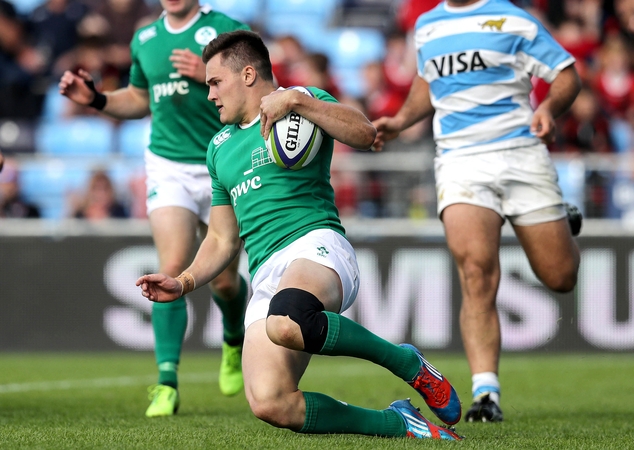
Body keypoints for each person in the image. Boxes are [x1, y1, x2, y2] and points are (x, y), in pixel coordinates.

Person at [137, 30, 462, 440]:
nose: (210, 95)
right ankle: (400, 423)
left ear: (249, 75)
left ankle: (407, 364)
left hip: (315, 246)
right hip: (265, 273)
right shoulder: (218, 146)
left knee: (287, 321)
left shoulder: (304, 102)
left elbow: (365, 135)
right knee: (270, 403)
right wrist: (182, 281)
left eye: (215, 83)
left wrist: (297, 101)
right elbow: (221, 239)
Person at [372, 0, 583, 423]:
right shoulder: (427, 26)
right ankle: (486, 393)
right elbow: (427, 84)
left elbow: (566, 75)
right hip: (461, 160)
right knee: (475, 271)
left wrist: (547, 107)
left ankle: (562, 217)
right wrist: (399, 120)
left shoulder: (513, 19)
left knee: (560, 276)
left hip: (521, 154)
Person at [58, 0, 250, 417]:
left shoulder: (226, 29)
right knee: (174, 265)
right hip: (168, 166)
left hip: (222, 160)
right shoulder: (145, 37)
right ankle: (166, 382)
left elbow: (257, 87)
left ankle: (233, 337)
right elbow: (140, 99)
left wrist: (209, 75)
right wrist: (95, 99)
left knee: (224, 284)